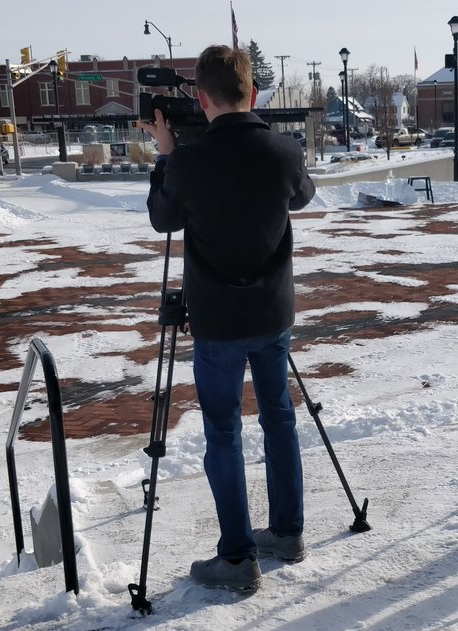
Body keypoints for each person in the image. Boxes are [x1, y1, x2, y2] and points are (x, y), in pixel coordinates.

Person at [139, 45, 316, 592]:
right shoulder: (283, 150)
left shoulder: (189, 162)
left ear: (201, 98)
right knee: (279, 419)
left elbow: (162, 219)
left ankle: (238, 557)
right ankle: (287, 532)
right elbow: (302, 197)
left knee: (223, 432)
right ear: (254, 93)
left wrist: (166, 154)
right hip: (272, 314)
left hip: (217, 322)